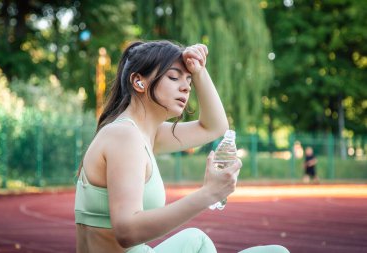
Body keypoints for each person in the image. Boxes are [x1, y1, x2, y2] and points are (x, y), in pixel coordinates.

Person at [74, 40, 289, 253]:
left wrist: (200, 71)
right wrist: (208, 194)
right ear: (139, 82)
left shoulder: (146, 134)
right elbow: (127, 231)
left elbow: (214, 127)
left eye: (189, 80)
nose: (186, 87)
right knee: (198, 240)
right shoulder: (124, 136)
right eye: (174, 77)